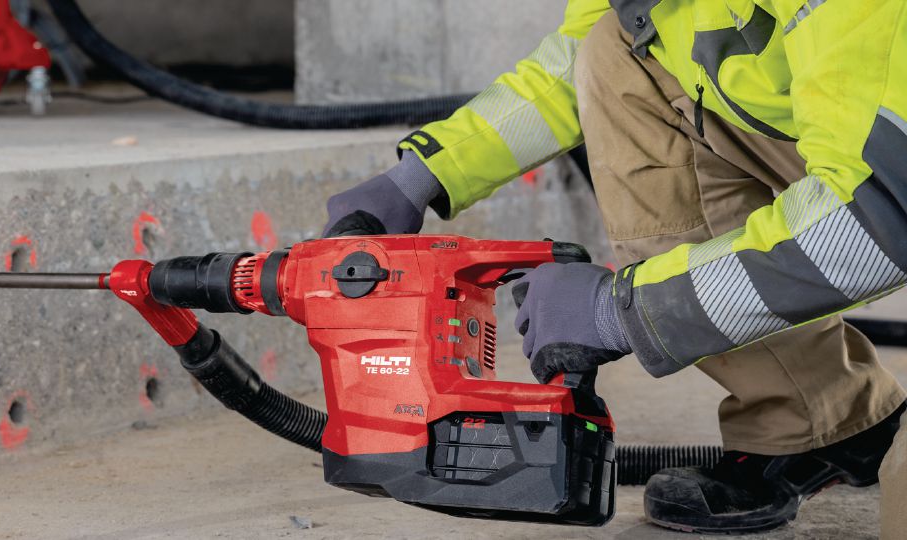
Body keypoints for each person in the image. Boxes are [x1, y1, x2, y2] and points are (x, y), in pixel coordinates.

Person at [321, 0, 907, 534]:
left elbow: (876, 219)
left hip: (885, 193)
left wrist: (621, 311)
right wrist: (420, 177)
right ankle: (817, 420)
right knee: (615, 51)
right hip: (853, 148)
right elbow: (572, 63)